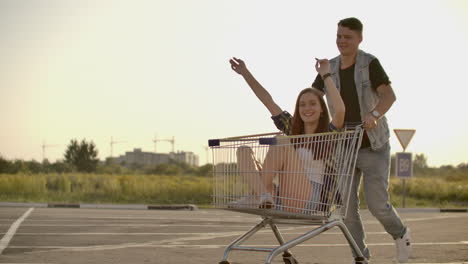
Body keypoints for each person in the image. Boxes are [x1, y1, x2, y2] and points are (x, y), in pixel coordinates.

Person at [310, 17, 411, 263]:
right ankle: (360, 256)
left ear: (359, 39)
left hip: (373, 145)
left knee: (377, 205)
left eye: (347, 37)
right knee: (347, 209)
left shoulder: (369, 63)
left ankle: (401, 234)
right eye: (339, 36)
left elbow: (389, 96)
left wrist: (374, 114)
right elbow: (313, 98)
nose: (342, 41)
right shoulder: (329, 68)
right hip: (344, 146)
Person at [229, 57, 345, 213]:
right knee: (243, 150)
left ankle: (255, 195)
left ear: (321, 108)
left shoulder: (328, 134)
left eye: (312, 103)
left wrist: (325, 75)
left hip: (310, 198)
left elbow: (340, 111)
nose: (307, 108)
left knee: (281, 141)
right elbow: (268, 101)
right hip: (283, 194)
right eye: (302, 104)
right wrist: (245, 73)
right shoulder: (292, 129)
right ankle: (261, 194)